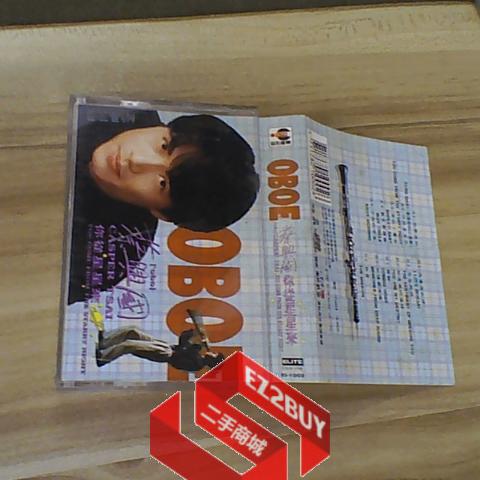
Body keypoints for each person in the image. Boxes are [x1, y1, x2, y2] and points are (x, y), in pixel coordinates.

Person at [67, 104, 259, 304]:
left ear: (161, 213)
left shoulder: (115, 255)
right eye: (164, 146)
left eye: (162, 183)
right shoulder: (123, 106)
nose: (137, 161)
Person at [95, 325, 225, 372]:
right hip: (166, 346)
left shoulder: (197, 364)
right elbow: (183, 338)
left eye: (214, 355)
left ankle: (104, 358)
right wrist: (194, 333)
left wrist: (193, 343)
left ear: (212, 361)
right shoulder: (197, 352)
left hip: (165, 353)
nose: (211, 352)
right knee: (133, 331)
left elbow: (180, 355)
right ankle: (105, 343)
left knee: (129, 345)